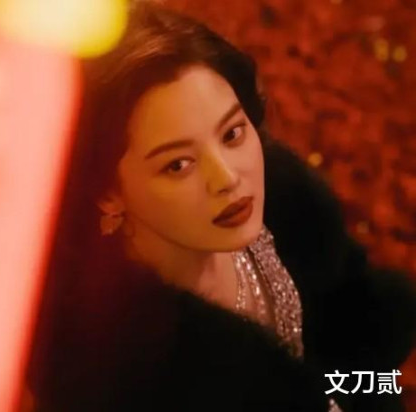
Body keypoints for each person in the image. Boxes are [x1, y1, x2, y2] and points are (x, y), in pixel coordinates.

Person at [26, 2, 416, 411]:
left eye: (232, 134)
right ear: (107, 193)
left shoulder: (292, 209)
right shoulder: (106, 365)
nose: (227, 178)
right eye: (178, 165)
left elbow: (359, 349)